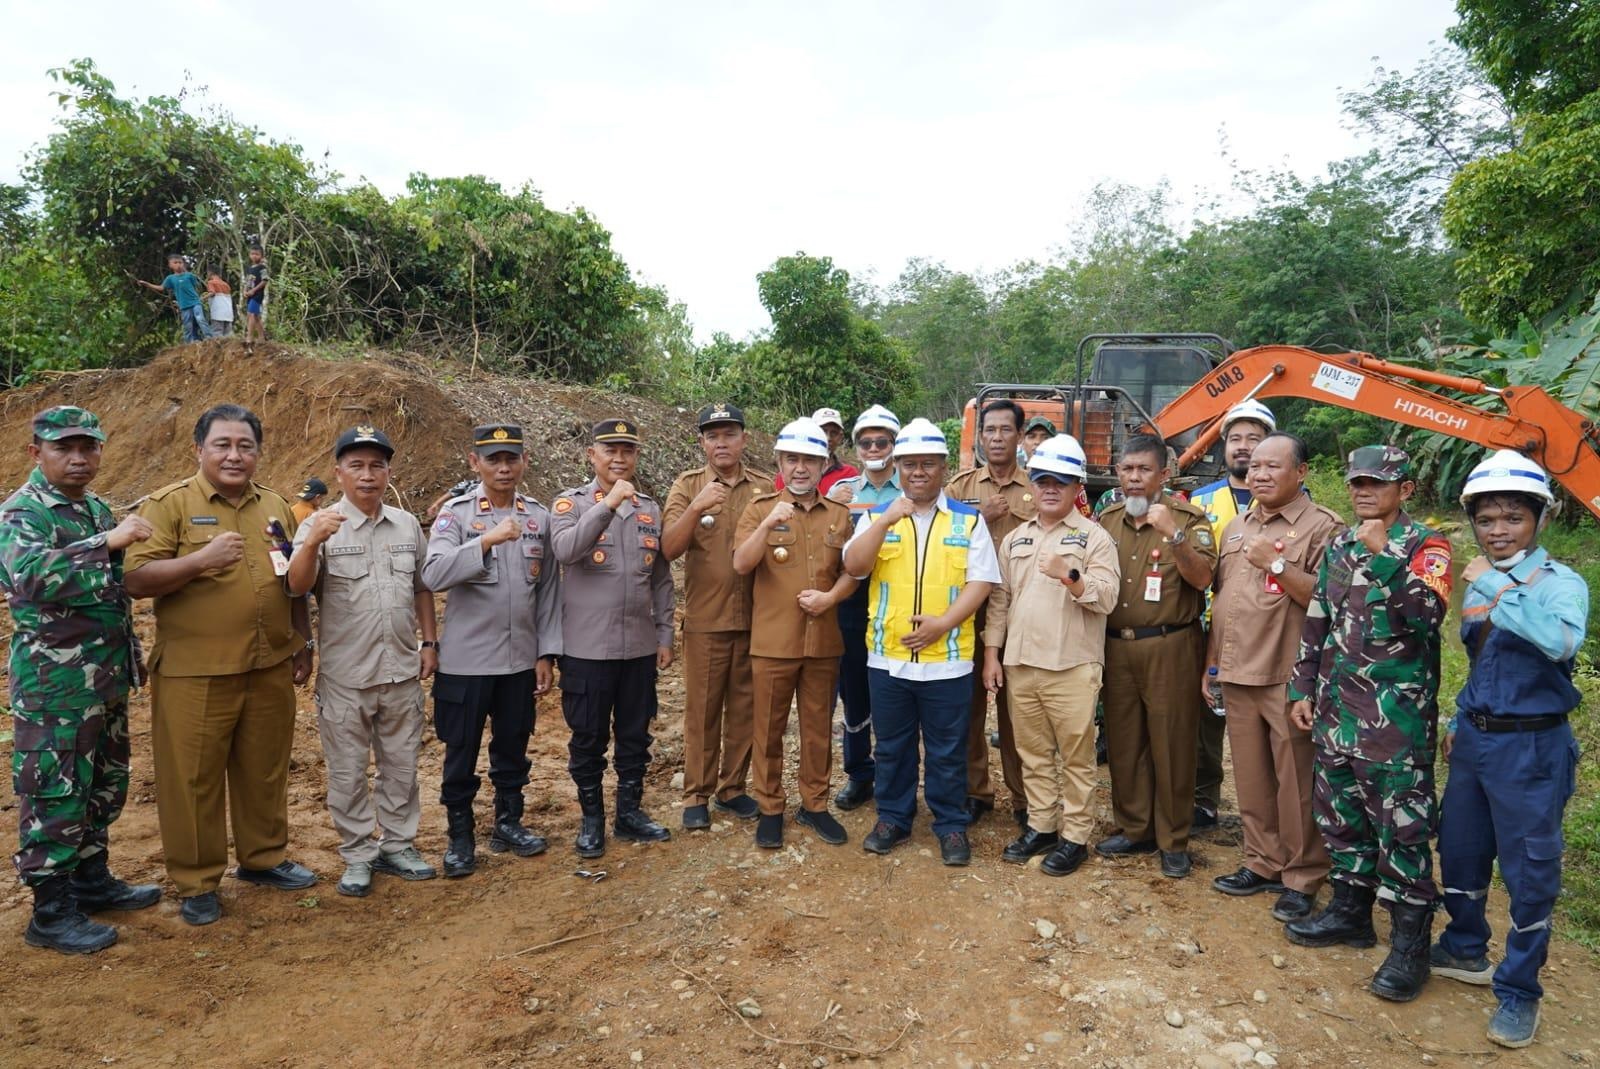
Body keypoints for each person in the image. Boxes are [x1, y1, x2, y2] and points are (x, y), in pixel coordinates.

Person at [124, 404, 316, 927]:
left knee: (265, 769)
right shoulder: (169, 506)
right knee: (192, 780)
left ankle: (264, 858)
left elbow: (292, 578)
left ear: (257, 451)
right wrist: (197, 562)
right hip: (195, 670)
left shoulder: (276, 506)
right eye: (222, 445)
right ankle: (196, 880)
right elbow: (135, 579)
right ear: (199, 450)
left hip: (269, 663)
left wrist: (303, 641)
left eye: (245, 446)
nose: (234, 455)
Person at [1431, 451, 1588, 1049]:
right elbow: (1482, 662)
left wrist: (1495, 581)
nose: (1498, 530)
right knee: (1462, 850)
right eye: (1487, 519)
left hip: (1533, 748)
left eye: (1512, 518)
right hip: (1476, 740)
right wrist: (1457, 715)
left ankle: (1519, 991)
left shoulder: (1560, 585)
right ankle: (1466, 947)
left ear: (1539, 520)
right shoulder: (1482, 583)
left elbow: (1558, 642)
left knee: (1530, 872)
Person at [1284, 445, 1451, 1004]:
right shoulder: (1339, 543)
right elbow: (1318, 621)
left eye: (1377, 483)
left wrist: (1384, 558)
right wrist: (1301, 686)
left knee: (1402, 833)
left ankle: (1410, 950)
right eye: (1357, 481)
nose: (1363, 491)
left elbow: (1428, 620)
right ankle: (1351, 915)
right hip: (1336, 713)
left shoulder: (1428, 546)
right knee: (1341, 818)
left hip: (1394, 723)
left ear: (1405, 489)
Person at [0, 406, 161, 954]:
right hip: (54, 689)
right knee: (55, 791)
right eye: (63, 447)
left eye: (88, 447)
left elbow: (112, 593)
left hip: (105, 679)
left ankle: (91, 880)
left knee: (103, 784)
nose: (78, 458)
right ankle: (50, 911)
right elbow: (31, 576)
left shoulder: (94, 508)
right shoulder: (23, 512)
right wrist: (108, 544)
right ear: (35, 453)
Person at [289, 425, 441, 897]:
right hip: (346, 676)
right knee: (348, 771)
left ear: (388, 472)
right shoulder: (318, 524)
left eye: (377, 465)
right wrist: (313, 541)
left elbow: (421, 587)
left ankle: (398, 845)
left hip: (400, 670)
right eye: (357, 465)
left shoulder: (406, 524)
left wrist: (430, 643)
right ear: (339, 473)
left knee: (401, 767)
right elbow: (294, 587)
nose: (368, 475)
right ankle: (357, 853)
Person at [842, 418, 999, 866]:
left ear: (943, 468)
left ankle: (950, 825)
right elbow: (853, 566)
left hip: (947, 661)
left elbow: (981, 582)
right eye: (909, 464)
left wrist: (941, 624)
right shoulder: (876, 515)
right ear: (898, 466)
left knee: (948, 748)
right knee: (891, 745)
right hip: (888, 660)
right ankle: (893, 817)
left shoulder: (968, 521)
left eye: (927, 464)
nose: (917, 473)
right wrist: (884, 519)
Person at [1206, 432, 1340, 923]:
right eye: (1254, 467)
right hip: (1237, 671)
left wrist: (1278, 563)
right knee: (1252, 778)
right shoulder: (1237, 526)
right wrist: (1212, 664)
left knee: (1296, 784)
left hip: (1288, 676)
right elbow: (1224, 602)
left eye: (1272, 466)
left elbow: (1332, 603)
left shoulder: (1323, 527)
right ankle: (1261, 862)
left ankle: (1302, 876)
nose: (1259, 474)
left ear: (1301, 472)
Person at [421, 424, 561, 877]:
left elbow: (549, 592)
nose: (503, 467)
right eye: (493, 459)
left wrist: (546, 653)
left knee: (513, 747)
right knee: (460, 751)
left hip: (519, 659)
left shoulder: (537, 517)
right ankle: (460, 838)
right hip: (466, 663)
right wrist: (485, 541)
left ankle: (508, 823)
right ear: (474, 463)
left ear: (524, 462)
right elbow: (434, 573)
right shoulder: (455, 516)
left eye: (511, 458)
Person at [982, 434, 1119, 878]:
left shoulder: (1093, 538)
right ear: (1032, 483)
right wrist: (991, 655)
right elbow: (1000, 601)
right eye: (1042, 479)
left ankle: (1075, 836)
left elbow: (1107, 598)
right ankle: (1041, 825)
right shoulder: (1016, 538)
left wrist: (1071, 576)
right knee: (1033, 753)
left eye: (1061, 480)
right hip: (1020, 664)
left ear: (1078, 485)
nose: (1050, 488)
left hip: (1072, 666)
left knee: (1076, 758)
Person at [550, 419, 674, 858]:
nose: (620, 459)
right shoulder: (570, 503)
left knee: (635, 735)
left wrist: (664, 633)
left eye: (628, 451)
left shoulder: (650, 509)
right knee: (588, 737)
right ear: (592, 455)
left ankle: (629, 813)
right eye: (610, 451)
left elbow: (660, 578)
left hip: (638, 647)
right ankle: (591, 820)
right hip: (587, 650)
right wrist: (607, 506)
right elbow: (565, 550)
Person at [1096, 434, 1216, 878]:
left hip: (1171, 644)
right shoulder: (1106, 520)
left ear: (1164, 474)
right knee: (1125, 741)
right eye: (1126, 470)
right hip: (1116, 645)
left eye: (1143, 470)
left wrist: (1175, 535)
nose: (1133, 478)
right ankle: (1134, 827)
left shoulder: (1189, 518)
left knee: (1172, 742)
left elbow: (1203, 579)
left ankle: (1173, 839)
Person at [734, 418, 856, 848]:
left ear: (824, 463)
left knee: (818, 728)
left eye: (809, 459)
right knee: (767, 729)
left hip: (823, 642)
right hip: (773, 642)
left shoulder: (840, 515)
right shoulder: (759, 508)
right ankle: (770, 808)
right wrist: (769, 523)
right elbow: (742, 564)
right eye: (792, 459)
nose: (800, 468)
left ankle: (815, 804)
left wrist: (831, 599)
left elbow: (853, 572)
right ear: (780, 463)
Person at [662, 403, 772, 829]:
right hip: (706, 621)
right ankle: (696, 794)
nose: (721, 442)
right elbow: (668, 549)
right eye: (712, 435)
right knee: (702, 712)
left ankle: (732, 789)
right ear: (702, 443)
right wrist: (696, 507)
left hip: (755, 620)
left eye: (729, 434)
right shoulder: (688, 486)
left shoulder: (765, 487)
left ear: (744, 439)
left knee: (746, 709)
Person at [1188, 399, 1276, 830]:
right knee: (1205, 720)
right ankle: (1204, 798)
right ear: (1223, 446)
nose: (1244, 448)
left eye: (1254, 440)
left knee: (1259, 724)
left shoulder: (1294, 503)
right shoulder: (1199, 501)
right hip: (1208, 623)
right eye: (1236, 439)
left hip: (1264, 631)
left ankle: (1265, 812)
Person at [947, 399, 1035, 827]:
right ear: (979, 436)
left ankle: (1024, 799)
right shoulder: (961, 487)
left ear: (1019, 437)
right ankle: (975, 791)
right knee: (968, 710)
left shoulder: (1038, 488)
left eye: (1005, 430)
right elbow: (937, 531)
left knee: (1018, 713)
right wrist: (978, 516)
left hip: (1022, 612)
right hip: (968, 611)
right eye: (990, 430)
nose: (997, 438)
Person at [823, 404, 902, 810]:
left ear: (895, 445)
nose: (874, 447)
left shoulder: (912, 489)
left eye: (882, 441)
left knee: (893, 690)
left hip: (899, 599)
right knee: (853, 691)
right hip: (852, 601)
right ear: (856, 448)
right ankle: (859, 772)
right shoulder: (843, 493)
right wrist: (834, 509)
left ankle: (893, 775)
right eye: (866, 441)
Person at [775, 408, 860, 495]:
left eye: (834, 433)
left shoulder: (849, 474)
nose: (828, 438)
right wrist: (832, 501)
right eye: (822, 431)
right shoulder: (787, 475)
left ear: (840, 437)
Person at [135, 254, 213, 343]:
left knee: (200, 318)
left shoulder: (189, 275)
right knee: (188, 325)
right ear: (170, 265)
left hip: (195, 302)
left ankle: (209, 337)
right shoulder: (170, 278)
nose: (178, 264)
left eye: (180, 262)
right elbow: (161, 288)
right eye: (175, 263)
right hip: (184, 305)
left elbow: (196, 286)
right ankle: (190, 342)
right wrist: (146, 284)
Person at [243, 244, 269, 345]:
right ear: (249, 255)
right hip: (250, 295)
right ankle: (262, 338)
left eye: (257, 254)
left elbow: (265, 280)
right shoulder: (250, 268)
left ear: (261, 256)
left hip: (257, 295)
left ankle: (249, 337)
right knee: (256, 316)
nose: (254, 256)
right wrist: (245, 291)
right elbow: (247, 281)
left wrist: (254, 290)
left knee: (252, 314)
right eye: (252, 254)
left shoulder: (262, 268)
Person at [205, 271, 234, 336]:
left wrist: (201, 299)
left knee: (217, 333)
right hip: (228, 313)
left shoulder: (211, 282)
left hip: (218, 313)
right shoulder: (226, 285)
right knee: (228, 335)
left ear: (210, 273)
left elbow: (212, 292)